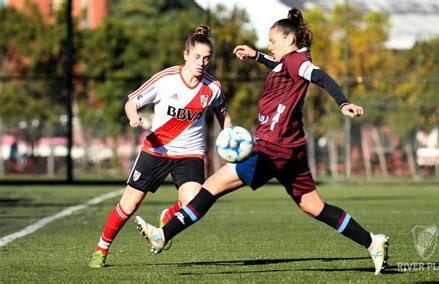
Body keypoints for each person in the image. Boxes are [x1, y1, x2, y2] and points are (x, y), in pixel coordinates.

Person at [134, 8, 389, 275]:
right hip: (291, 147)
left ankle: (163, 235)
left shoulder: (296, 62)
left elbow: (320, 76)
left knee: (211, 186)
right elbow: (279, 65)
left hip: (273, 148)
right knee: (314, 207)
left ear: (289, 41)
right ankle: (372, 242)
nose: (269, 45)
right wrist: (256, 56)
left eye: (272, 41)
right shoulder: (289, 61)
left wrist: (343, 102)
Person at [88, 25, 232, 268]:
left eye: (206, 58)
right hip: (157, 149)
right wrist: (133, 116)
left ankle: (168, 216)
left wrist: (230, 137)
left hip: (190, 153)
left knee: (193, 203)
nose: (201, 62)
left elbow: (223, 115)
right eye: (197, 56)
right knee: (129, 205)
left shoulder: (213, 87)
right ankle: (101, 249)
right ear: (185, 54)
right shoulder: (166, 79)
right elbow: (132, 102)